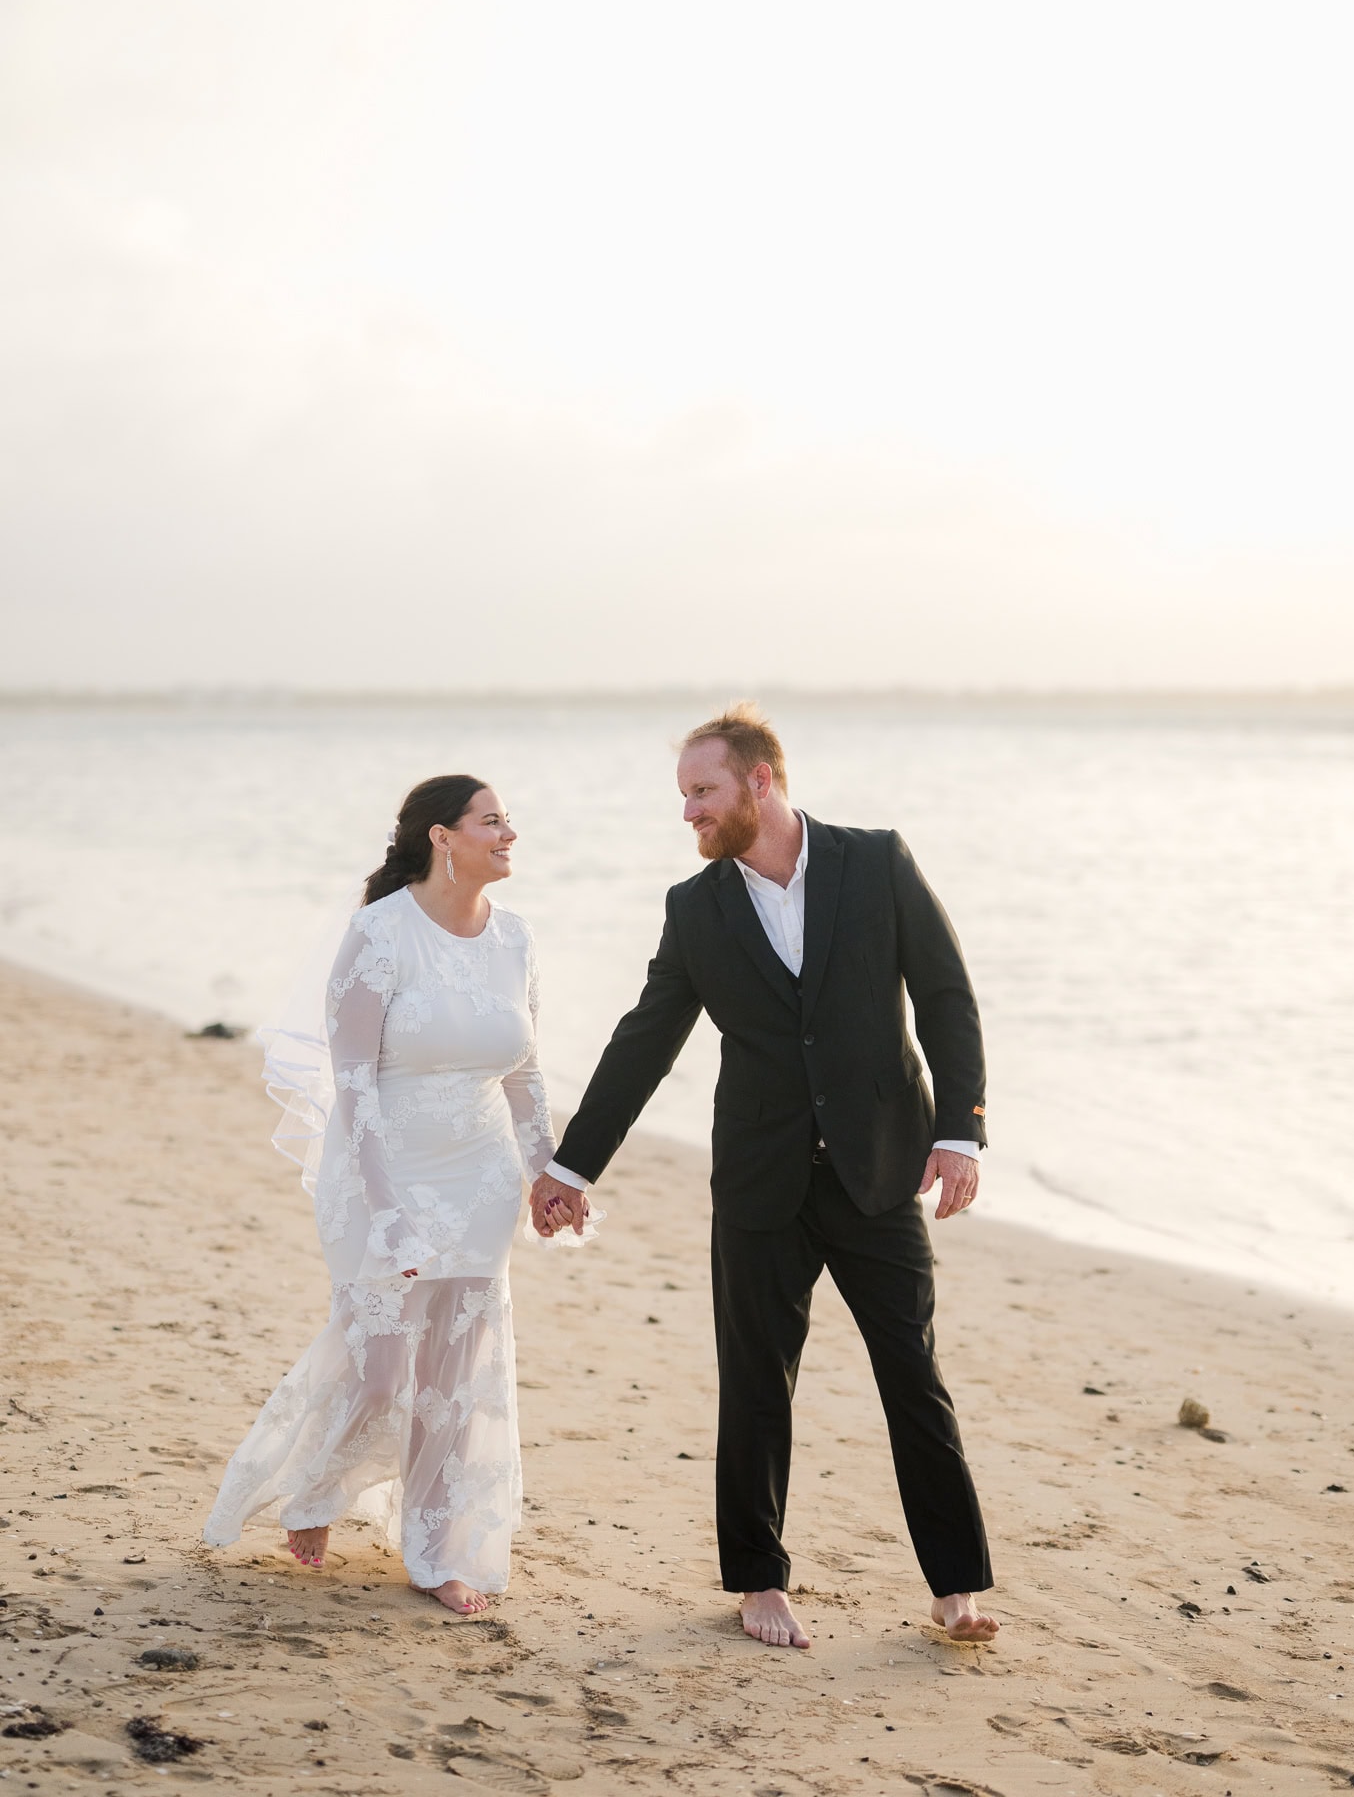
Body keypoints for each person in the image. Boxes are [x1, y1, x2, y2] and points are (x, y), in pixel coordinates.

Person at [531, 705, 997, 1649]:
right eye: (684, 797)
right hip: (759, 1179)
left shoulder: (876, 863)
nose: (690, 813)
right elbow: (644, 1042)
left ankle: (955, 1585)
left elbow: (946, 995)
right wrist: (569, 1164)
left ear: (759, 782)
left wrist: (962, 1133)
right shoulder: (695, 908)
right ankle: (756, 1581)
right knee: (754, 1381)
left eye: (702, 792)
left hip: (877, 1171)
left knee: (912, 1375)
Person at [204, 773, 566, 1616]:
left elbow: (525, 1072)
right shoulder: (378, 934)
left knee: (455, 1372)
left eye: (508, 821)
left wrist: (546, 1170)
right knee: (378, 1370)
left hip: (478, 1179)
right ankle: (315, 1492)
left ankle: (439, 1550)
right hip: (381, 1173)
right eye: (492, 821)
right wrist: (387, 1209)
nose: (509, 834)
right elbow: (354, 1084)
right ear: (442, 836)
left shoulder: (516, 939)